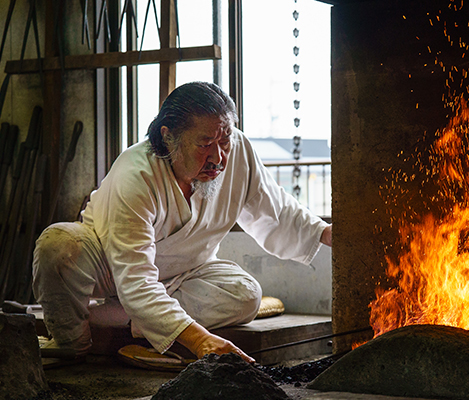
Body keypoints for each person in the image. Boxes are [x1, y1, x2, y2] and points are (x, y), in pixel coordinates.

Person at [32, 82, 332, 364]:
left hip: (187, 272)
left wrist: (324, 232)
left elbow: (273, 205)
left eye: (224, 140)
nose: (218, 156)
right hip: (109, 268)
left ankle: (118, 319)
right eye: (205, 144)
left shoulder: (236, 150)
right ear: (168, 137)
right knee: (59, 245)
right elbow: (135, 279)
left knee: (247, 294)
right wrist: (200, 341)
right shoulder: (136, 175)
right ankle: (72, 340)